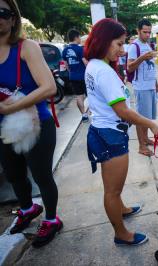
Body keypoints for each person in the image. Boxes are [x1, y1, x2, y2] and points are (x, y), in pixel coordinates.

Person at [85, 18, 158, 246]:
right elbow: (123, 111)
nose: (122, 50)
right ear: (103, 41)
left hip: (100, 130)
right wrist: (152, 124)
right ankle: (121, 233)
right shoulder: (104, 72)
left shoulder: (93, 64)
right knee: (112, 190)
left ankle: (123, 208)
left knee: (113, 188)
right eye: (118, 44)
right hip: (111, 134)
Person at [0, 0, 62, 247]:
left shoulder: (26, 47)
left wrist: (11, 107)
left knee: (41, 176)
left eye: (3, 13)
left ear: (13, 18)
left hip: (37, 126)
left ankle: (52, 218)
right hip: (4, 129)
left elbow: (50, 87)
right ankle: (27, 209)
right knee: (14, 175)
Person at [127, 19, 158, 157]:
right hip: (141, 87)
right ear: (138, 31)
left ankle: (146, 139)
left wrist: (156, 84)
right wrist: (141, 58)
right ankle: (141, 146)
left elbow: (151, 67)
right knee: (140, 119)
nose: (147, 34)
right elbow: (129, 67)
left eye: (149, 32)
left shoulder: (148, 44)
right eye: (144, 32)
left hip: (150, 86)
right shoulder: (135, 46)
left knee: (147, 117)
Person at [62, 29, 89, 122]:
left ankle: (84, 115)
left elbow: (66, 66)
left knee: (79, 97)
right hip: (83, 76)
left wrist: (72, 71)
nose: (80, 39)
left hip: (73, 77)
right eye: (79, 37)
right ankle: (94, 113)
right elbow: (85, 62)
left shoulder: (65, 50)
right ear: (76, 37)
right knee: (90, 96)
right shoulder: (79, 49)